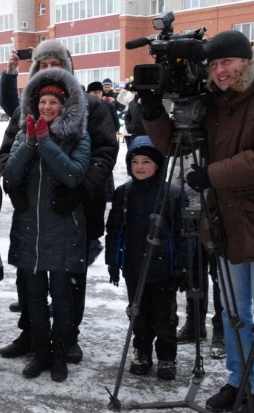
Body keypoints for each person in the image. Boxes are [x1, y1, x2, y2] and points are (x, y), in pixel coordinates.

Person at [141, 30, 254, 412]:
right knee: (234, 313)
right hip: (224, 221)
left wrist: (213, 174)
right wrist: (153, 113)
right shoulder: (214, 102)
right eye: (214, 64)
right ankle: (237, 380)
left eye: (227, 62)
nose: (220, 71)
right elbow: (175, 145)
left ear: (246, 61)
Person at [0, 39, 118, 364]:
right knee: (29, 276)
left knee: (69, 278)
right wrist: (14, 189)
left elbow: (105, 153)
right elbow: (7, 152)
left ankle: (68, 338)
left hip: (77, 205)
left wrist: (80, 190)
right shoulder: (28, 108)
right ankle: (31, 334)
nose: (50, 70)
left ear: (68, 67)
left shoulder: (93, 108)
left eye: (56, 64)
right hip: (33, 210)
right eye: (43, 65)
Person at [4, 67, 90, 382]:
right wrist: (29, 143)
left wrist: (46, 143)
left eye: (53, 102)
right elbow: (10, 175)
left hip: (63, 229)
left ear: (64, 106)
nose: (47, 108)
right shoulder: (25, 132)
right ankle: (40, 352)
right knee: (35, 298)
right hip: (29, 229)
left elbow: (73, 174)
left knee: (63, 298)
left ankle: (58, 354)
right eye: (43, 102)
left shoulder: (78, 135)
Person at [105, 136, 188, 380]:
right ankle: (142, 353)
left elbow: (183, 235)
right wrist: (113, 260)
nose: (140, 167)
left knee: (165, 317)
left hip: (164, 269)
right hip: (134, 266)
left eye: (146, 161)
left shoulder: (172, 194)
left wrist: (183, 266)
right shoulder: (124, 193)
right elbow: (115, 230)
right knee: (138, 314)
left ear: (159, 165)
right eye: (135, 162)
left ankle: (166, 358)